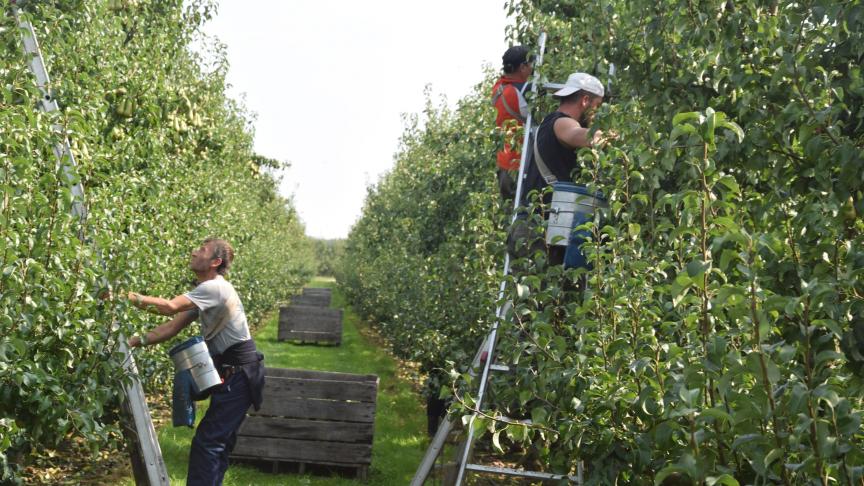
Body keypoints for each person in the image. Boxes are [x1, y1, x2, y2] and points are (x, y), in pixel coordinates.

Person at [126, 238, 264, 486]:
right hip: (235, 374)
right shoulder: (207, 293)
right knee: (216, 443)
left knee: (209, 442)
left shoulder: (214, 289)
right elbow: (170, 327)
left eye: (202, 250)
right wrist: (133, 342)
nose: (194, 252)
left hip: (240, 375)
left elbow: (169, 307)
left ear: (215, 262)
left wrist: (125, 296)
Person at [509, 72, 615, 266]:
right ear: (585, 100)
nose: (597, 113)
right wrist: (616, 136)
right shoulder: (562, 122)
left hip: (532, 228)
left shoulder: (547, 123)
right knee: (544, 294)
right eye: (597, 106)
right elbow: (582, 136)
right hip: (538, 231)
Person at [492, 45, 533, 199]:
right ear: (522, 67)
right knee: (525, 211)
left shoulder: (499, 88)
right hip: (518, 164)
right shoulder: (521, 91)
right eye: (530, 64)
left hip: (503, 163)